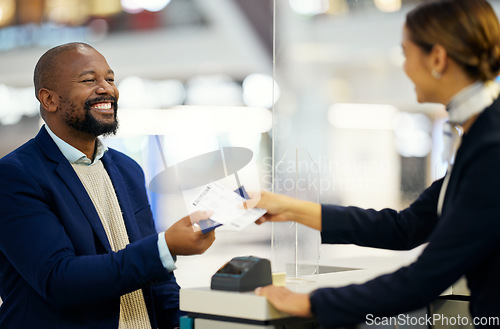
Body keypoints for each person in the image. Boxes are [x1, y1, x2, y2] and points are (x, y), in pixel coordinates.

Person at [252, 0, 500, 328]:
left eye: (406, 53)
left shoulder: (491, 147)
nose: (404, 65)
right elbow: (405, 227)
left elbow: (426, 276)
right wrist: (293, 209)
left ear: (438, 58)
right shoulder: (479, 137)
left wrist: (313, 302)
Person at [0, 42, 215, 329]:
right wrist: (164, 246)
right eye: (90, 80)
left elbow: (158, 278)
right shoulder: (15, 175)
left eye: (110, 79)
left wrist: (183, 320)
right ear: (49, 99)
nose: (107, 89)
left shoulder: (127, 170)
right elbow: (58, 279)